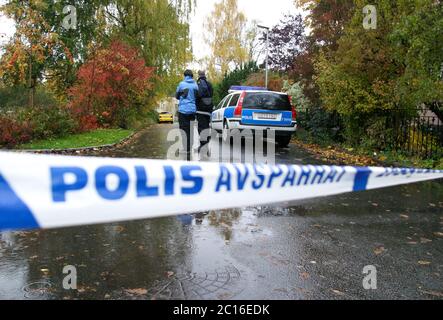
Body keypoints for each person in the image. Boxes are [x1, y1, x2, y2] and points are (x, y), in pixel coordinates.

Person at [176, 69, 199, 156]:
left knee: (183, 129)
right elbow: (197, 97)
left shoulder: (181, 84)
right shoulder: (195, 85)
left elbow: (177, 96)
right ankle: (189, 148)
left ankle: (185, 148)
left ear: (185, 76)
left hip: (183, 110)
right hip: (192, 110)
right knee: (191, 129)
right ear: (191, 76)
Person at [196, 70, 214, 152]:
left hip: (201, 109)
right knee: (206, 126)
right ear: (205, 75)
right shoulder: (209, 84)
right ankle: (206, 141)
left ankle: (203, 145)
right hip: (209, 108)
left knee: (201, 127)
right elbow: (212, 94)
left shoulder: (199, 84)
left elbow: (197, 95)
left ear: (199, 75)